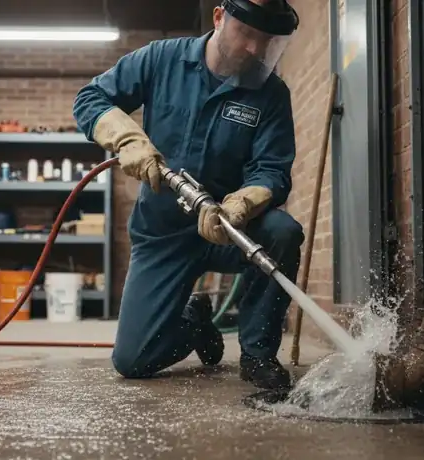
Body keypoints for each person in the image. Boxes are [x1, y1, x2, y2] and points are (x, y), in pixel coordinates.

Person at [72, 0, 303, 390]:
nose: (253, 48)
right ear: (218, 17)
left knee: (282, 232)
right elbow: (90, 99)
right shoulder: (161, 59)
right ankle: (195, 326)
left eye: (264, 40)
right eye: (245, 33)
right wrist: (126, 138)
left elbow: (273, 169)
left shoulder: (271, 93)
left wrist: (242, 203)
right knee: (133, 360)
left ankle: (258, 354)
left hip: (229, 229)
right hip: (163, 233)